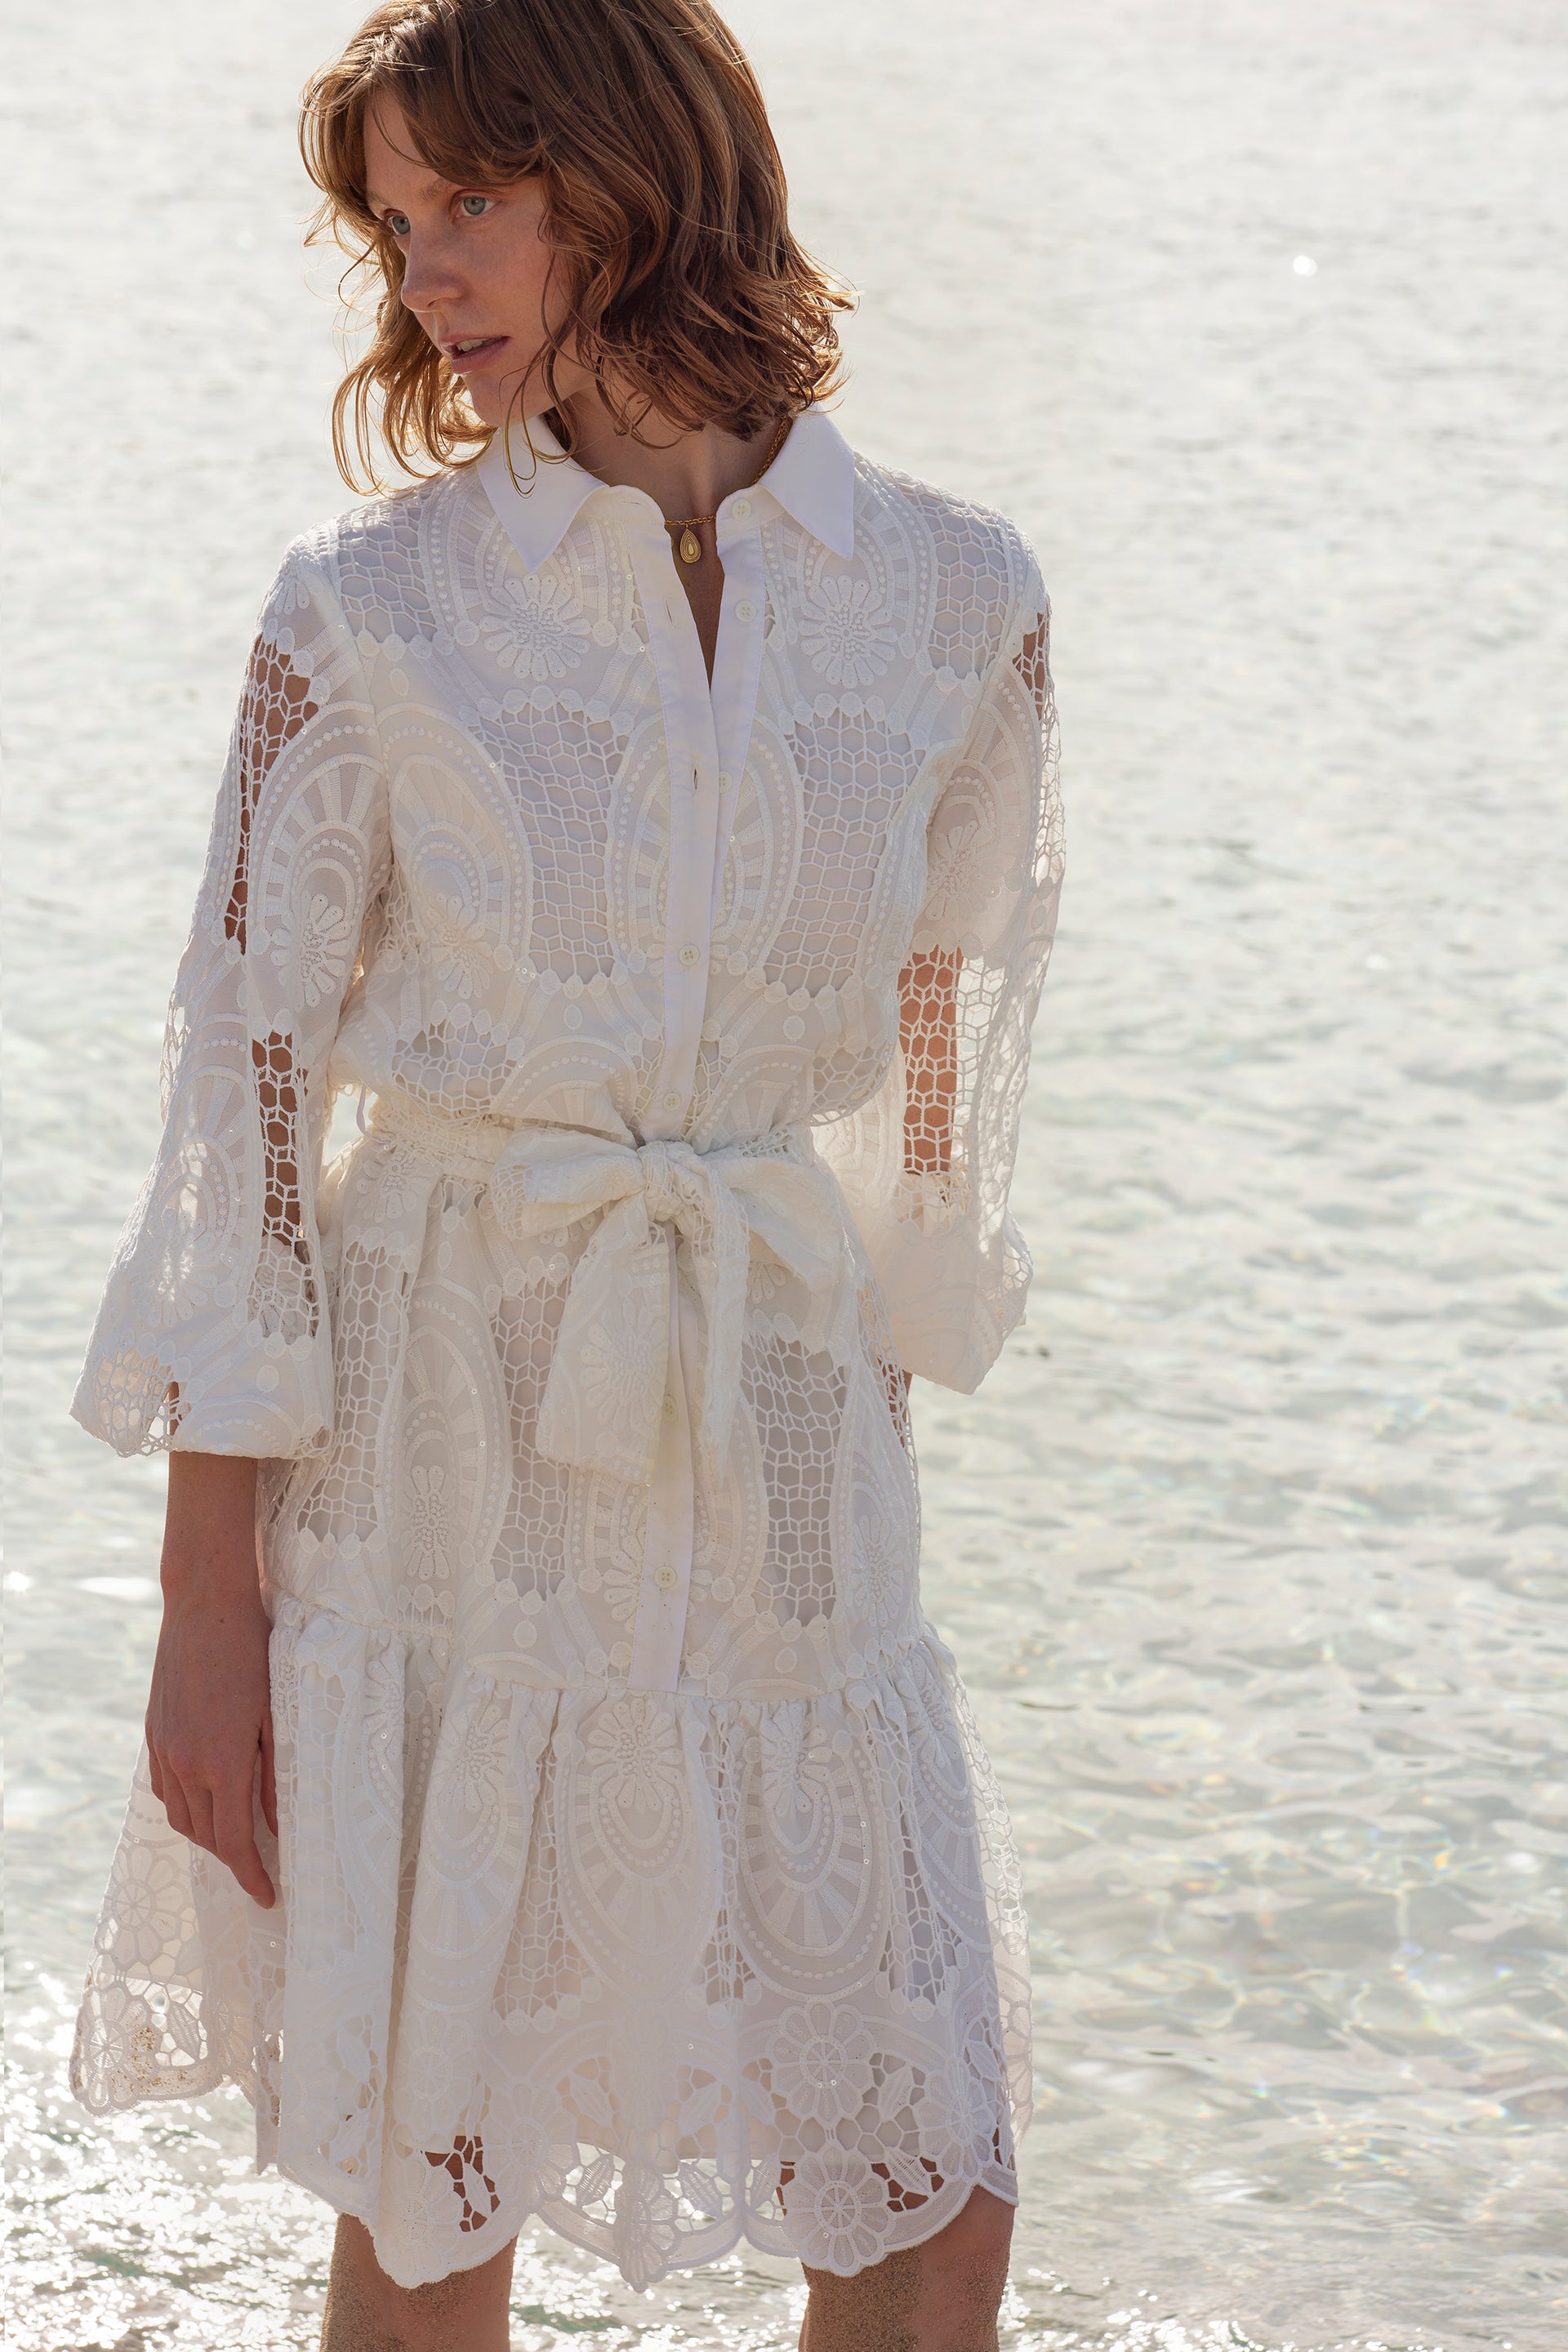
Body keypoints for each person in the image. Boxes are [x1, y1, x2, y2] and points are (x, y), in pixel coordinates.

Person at [68, 2, 1063, 2343]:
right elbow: (251, 1121)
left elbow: (942, 1056)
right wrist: (210, 1612)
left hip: (787, 1470)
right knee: (442, 2184)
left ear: (634, 177)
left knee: (936, 2178)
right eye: (397, 230)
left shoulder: (954, 600)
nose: (426, 274)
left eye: (470, 209)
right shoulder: (372, 616)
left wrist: (877, 1393)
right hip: (440, 1468)